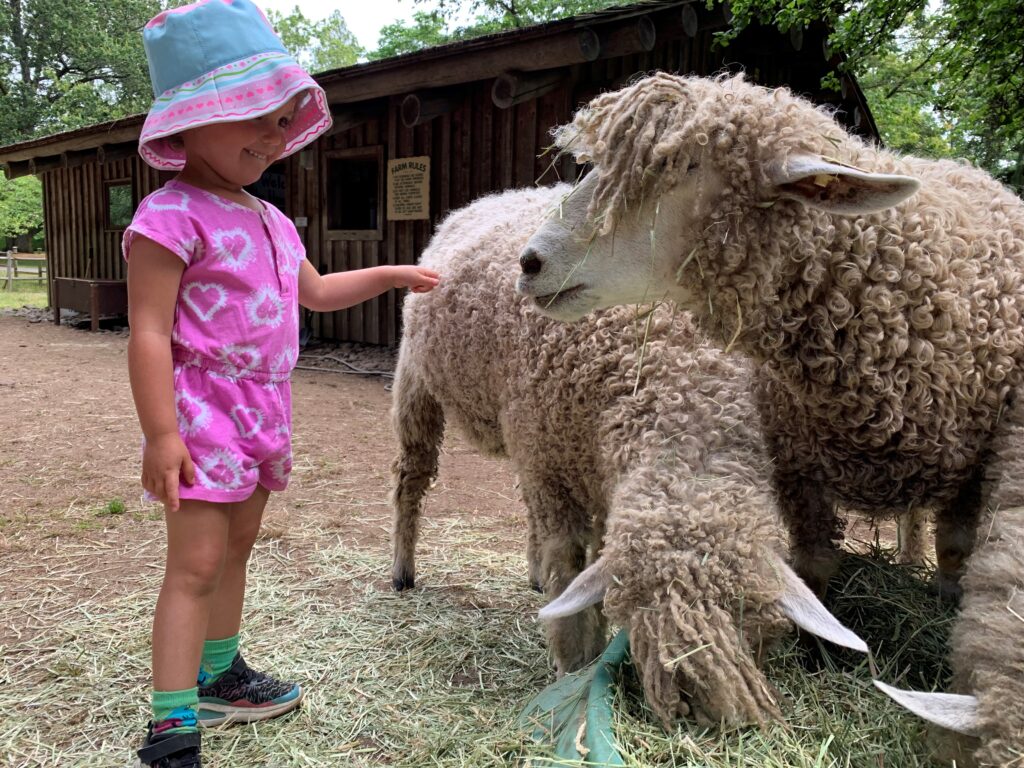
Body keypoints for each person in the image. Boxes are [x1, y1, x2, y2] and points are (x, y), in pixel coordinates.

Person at [124, 2, 439, 765]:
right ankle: (171, 728)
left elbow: (318, 292)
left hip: (265, 407)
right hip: (203, 412)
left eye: (280, 122)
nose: (270, 139)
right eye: (251, 119)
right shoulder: (169, 217)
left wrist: (396, 272)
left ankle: (219, 674)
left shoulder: (271, 218)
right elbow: (149, 332)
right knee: (194, 564)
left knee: (238, 546)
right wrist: (162, 434)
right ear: (189, 121)